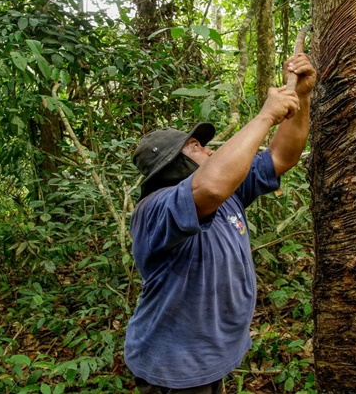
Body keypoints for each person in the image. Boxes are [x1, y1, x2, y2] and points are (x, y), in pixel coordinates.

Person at [125, 53, 316, 394]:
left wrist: (301, 96)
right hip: (174, 365)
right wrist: (264, 116)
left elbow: (281, 156)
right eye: (197, 147)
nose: (210, 151)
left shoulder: (228, 191)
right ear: (171, 164)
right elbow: (209, 186)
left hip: (210, 356)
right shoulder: (155, 209)